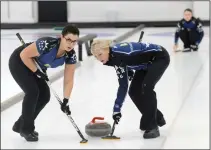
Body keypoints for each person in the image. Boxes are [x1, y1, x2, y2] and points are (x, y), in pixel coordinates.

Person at [9, 24, 79, 142]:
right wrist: (37, 71)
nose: (71, 44)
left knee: (45, 96)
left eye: (74, 42)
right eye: (68, 40)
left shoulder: (70, 55)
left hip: (37, 67)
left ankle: (20, 124)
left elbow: (68, 80)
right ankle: (26, 129)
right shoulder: (47, 44)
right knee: (32, 92)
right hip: (20, 61)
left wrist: (66, 100)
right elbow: (24, 55)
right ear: (61, 37)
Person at [90, 40, 170, 139]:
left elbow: (123, 85)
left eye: (100, 54)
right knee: (134, 91)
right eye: (96, 56)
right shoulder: (114, 56)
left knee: (147, 87)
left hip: (159, 58)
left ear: (107, 50)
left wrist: (116, 110)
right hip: (145, 63)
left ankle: (152, 126)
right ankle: (157, 118)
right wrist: (129, 69)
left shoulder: (119, 55)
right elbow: (132, 59)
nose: (99, 58)